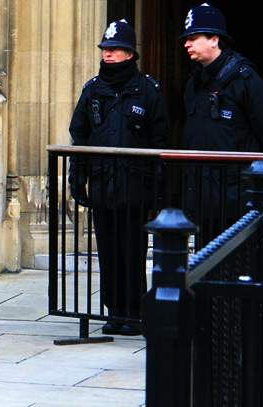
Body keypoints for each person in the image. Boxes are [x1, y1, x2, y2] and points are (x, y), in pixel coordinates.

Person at [69, 20, 169, 335]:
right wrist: (77, 177)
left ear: (129, 54)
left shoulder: (147, 90)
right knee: (109, 252)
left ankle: (135, 312)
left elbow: (160, 141)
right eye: (105, 50)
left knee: (133, 250)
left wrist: (159, 190)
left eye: (114, 50)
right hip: (103, 184)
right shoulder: (93, 89)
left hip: (135, 186)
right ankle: (114, 312)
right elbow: (80, 136)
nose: (108, 55)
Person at [180, 3, 263, 242]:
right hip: (202, 199)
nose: (186, 44)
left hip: (235, 202)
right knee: (203, 270)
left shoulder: (243, 80)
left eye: (193, 38)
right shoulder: (194, 83)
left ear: (214, 39)